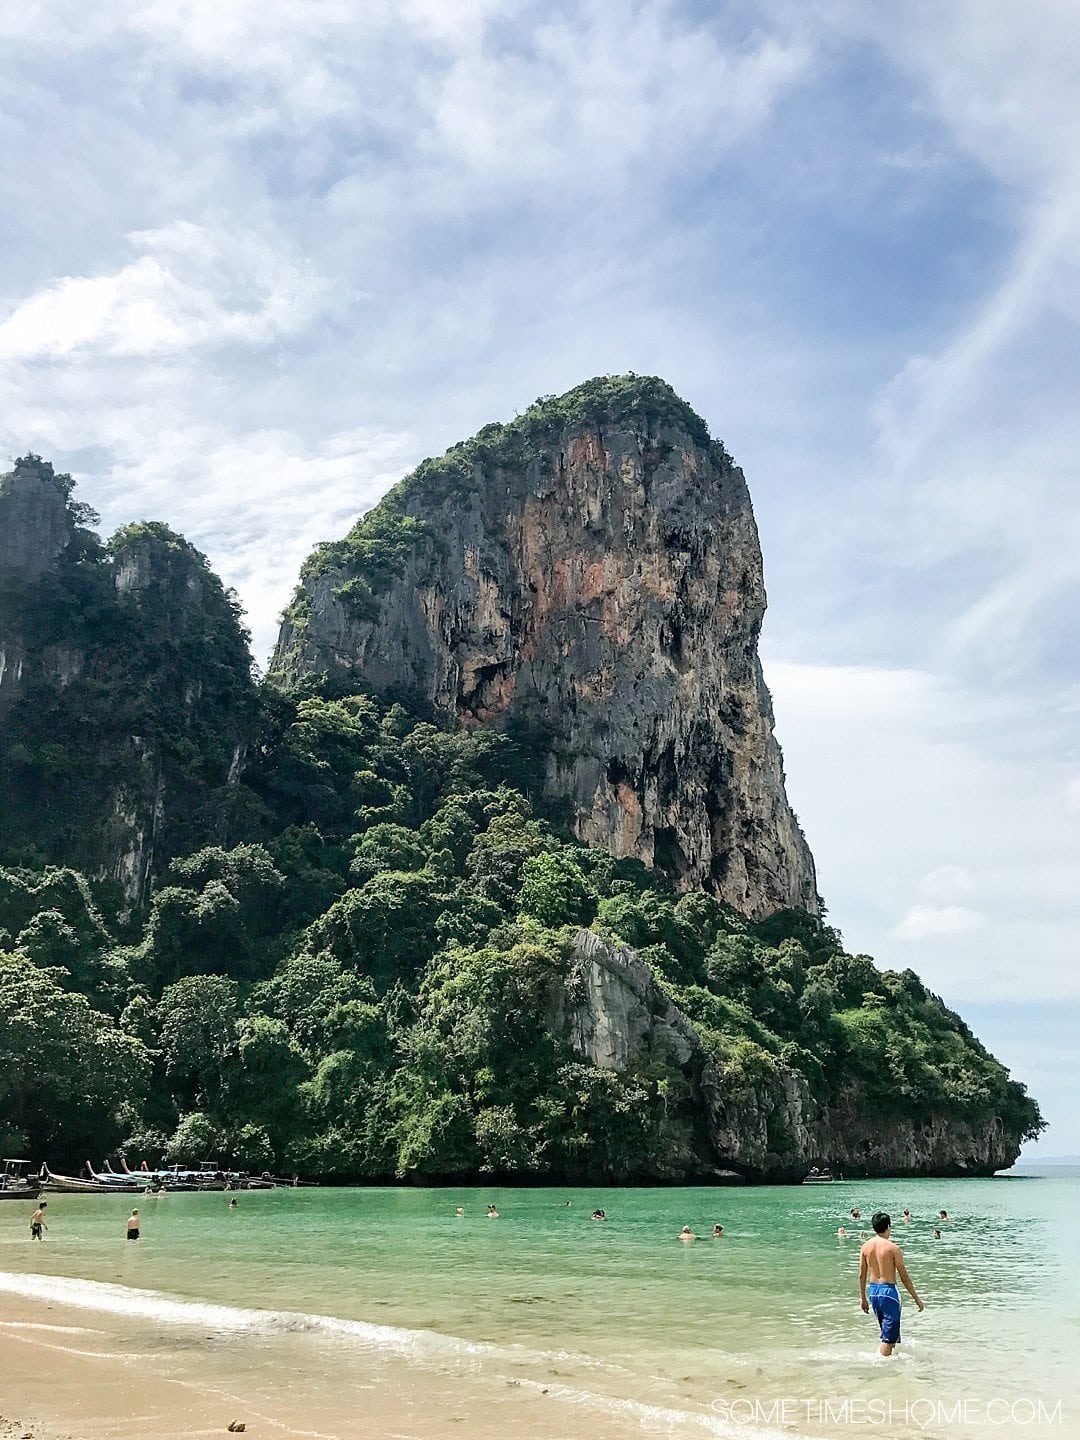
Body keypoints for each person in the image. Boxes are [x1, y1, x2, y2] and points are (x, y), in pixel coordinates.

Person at [859, 1211, 924, 1356]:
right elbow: (904, 1277)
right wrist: (916, 1298)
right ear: (888, 1227)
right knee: (888, 1339)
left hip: (873, 1292)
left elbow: (862, 1275)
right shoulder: (893, 1248)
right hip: (889, 1293)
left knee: (889, 1333)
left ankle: (892, 1370)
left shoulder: (865, 1247)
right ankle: (880, 1365)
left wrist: (862, 1297)